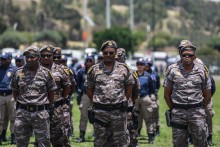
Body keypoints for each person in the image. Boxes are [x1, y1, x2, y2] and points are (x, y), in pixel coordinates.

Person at [86, 40, 134, 146]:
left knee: (120, 142)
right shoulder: (94, 70)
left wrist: (123, 99)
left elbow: (129, 86)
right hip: (100, 112)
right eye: (105, 53)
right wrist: (96, 101)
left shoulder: (124, 69)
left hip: (118, 112)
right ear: (102, 53)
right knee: (100, 142)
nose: (108, 55)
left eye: (111, 53)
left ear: (115, 53)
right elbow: (89, 89)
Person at [164, 40, 211, 147]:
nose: (187, 57)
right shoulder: (172, 70)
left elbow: (207, 94)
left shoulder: (202, 70)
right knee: (179, 144)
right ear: (180, 55)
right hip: (178, 113)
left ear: (194, 56)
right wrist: (174, 108)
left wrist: (200, 108)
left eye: (190, 55)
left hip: (197, 113)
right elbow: (166, 94)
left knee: (201, 143)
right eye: (184, 54)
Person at [11, 46, 57, 147]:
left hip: (40, 113)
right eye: (27, 57)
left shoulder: (46, 73)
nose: (29, 59)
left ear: (38, 58)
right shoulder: (18, 72)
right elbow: (15, 92)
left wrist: (44, 105)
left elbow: (51, 93)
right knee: (21, 143)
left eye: (32, 57)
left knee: (44, 143)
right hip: (22, 113)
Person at [40, 45, 71, 147]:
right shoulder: (36, 69)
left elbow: (67, 87)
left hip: (56, 109)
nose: (46, 58)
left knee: (58, 137)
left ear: (53, 56)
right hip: (40, 109)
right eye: (43, 55)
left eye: (48, 55)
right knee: (41, 139)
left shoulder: (61, 70)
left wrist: (59, 99)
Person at [115, 48, 140, 147]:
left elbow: (136, 90)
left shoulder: (130, 71)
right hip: (113, 109)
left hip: (127, 108)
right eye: (116, 58)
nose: (118, 60)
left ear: (124, 58)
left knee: (131, 134)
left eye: (119, 58)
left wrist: (130, 101)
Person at [134, 58, 155, 144]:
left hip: (145, 98)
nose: (140, 66)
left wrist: (150, 97)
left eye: (141, 64)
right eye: (138, 64)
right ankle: (135, 136)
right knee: (136, 119)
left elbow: (152, 88)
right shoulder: (133, 75)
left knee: (148, 118)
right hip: (135, 99)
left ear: (144, 66)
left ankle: (150, 136)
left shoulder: (148, 76)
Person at [76, 54, 95, 143]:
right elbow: (77, 83)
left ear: (94, 61)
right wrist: (79, 94)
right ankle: (81, 135)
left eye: (90, 60)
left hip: (96, 96)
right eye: (87, 60)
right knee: (84, 116)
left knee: (98, 116)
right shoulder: (81, 71)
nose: (89, 62)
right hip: (85, 95)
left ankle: (99, 135)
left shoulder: (99, 71)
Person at [0, 52, 17, 145]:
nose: (2, 61)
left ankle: (14, 136)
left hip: (11, 96)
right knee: (0, 118)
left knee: (13, 118)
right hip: (0, 96)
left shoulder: (14, 69)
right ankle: (1, 136)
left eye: (4, 59)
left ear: (10, 59)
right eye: (1, 59)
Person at [145, 58, 161, 136]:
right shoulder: (142, 73)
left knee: (155, 113)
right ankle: (151, 130)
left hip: (153, 96)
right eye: (146, 64)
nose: (148, 66)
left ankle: (157, 128)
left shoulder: (155, 74)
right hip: (145, 96)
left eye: (149, 64)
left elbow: (158, 86)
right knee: (148, 114)